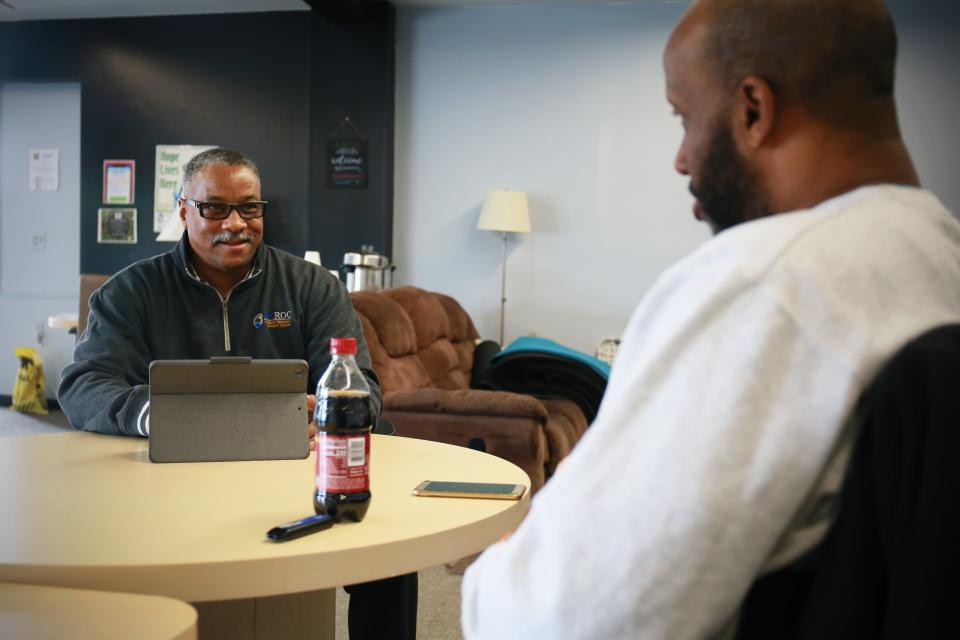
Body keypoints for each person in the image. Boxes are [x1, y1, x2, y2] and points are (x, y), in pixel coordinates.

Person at [460, 1, 960, 638]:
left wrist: (498, 571)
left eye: (684, 117)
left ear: (753, 108)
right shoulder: (940, 256)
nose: (681, 158)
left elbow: (564, 619)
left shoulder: (770, 282)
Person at [58, 147, 416, 640]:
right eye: (215, 208)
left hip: (297, 467)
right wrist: (151, 413)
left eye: (250, 207)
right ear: (183, 210)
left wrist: (330, 409)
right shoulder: (131, 292)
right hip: (174, 479)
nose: (236, 223)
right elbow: (84, 384)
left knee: (394, 550)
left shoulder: (313, 288)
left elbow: (364, 389)